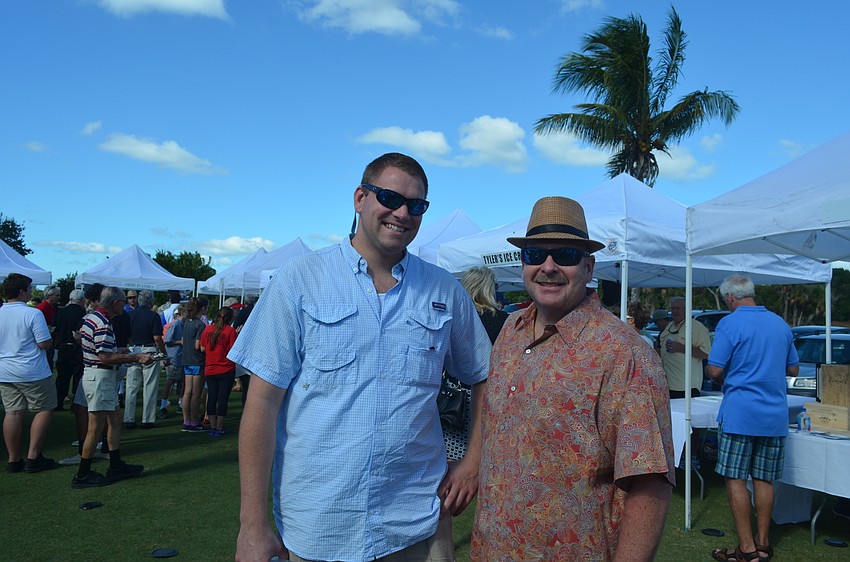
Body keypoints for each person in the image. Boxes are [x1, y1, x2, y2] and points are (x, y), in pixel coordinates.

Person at [229, 152, 491, 562]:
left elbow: (483, 375)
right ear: (359, 198)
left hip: (416, 520)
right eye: (390, 197)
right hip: (320, 524)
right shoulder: (300, 280)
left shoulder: (443, 290)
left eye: (416, 205)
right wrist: (252, 526)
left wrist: (472, 461)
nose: (402, 213)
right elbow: (261, 404)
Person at [470, 196, 675, 561]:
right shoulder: (508, 332)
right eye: (535, 255)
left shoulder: (622, 353)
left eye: (564, 254)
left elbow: (650, 481)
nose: (548, 266)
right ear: (523, 264)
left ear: (589, 266)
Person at [707, 276, 798, 562]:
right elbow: (793, 369)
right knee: (764, 480)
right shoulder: (780, 324)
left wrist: (733, 373)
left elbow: (713, 370)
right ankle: (763, 543)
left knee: (735, 478)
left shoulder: (730, 323)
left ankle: (746, 549)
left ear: (730, 298)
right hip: (773, 415)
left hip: (740, 413)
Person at [73, 286, 154, 488]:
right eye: (123, 301)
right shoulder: (102, 322)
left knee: (114, 419)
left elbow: (100, 349)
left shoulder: (92, 318)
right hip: (100, 376)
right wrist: (136, 357)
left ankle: (115, 465)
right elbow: (105, 356)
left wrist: (120, 350)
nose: (125, 304)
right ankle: (83, 474)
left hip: (98, 375)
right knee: (96, 426)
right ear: (115, 303)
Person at [443, 266, 508, 460]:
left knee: (453, 458)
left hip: (453, 400)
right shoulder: (505, 321)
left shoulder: (453, 317)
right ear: (489, 288)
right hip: (491, 398)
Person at [0, 273, 57, 473]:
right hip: (31, 370)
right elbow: (44, 343)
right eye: (30, 289)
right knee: (45, 408)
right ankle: (33, 457)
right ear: (22, 291)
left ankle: (14, 459)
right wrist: (49, 337)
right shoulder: (32, 314)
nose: (33, 292)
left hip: (5, 370)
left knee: (13, 412)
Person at [123, 290, 165, 430]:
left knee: (131, 386)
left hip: (133, 349)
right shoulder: (154, 316)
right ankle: (147, 419)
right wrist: (162, 351)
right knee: (150, 386)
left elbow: (126, 335)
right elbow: (157, 338)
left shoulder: (129, 315)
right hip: (149, 350)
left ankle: (129, 418)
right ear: (151, 301)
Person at [658, 296, 711, 398]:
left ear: (686, 310)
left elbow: (707, 354)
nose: (675, 311)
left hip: (687, 387)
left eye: (679, 308)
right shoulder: (669, 326)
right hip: (667, 386)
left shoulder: (696, 327)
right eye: (673, 308)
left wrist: (682, 348)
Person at [200, 307, 237, 437]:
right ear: (230, 318)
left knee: (212, 397)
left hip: (210, 368)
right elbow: (233, 351)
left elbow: (203, 347)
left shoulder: (208, 329)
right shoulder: (230, 331)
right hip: (226, 368)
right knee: (222, 399)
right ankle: (220, 426)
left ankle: (213, 426)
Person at [53, 289, 87, 410]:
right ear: (82, 300)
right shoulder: (83, 313)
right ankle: (76, 403)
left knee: (62, 376)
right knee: (78, 376)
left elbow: (54, 328)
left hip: (63, 347)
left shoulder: (61, 312)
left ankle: (58, 401)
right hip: (77, 347)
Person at [180, 297, 208, 432]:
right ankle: (194, 421)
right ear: (202, 308)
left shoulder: (186, 322)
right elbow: (198, 345)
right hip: (197, 360)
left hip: (186, 359)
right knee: (196, 394)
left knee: (187, 392)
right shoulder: (200, 325)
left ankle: (186, 420)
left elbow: (183, 341)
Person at [159, 305, 184, 418]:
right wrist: (180, 341)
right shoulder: (175, 324)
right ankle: (163, 405)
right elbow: (167, 340)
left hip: (180, 357)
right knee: (170, 381)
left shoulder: (181, 324)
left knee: (181, 382)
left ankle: (181, 404)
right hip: (174, 357)